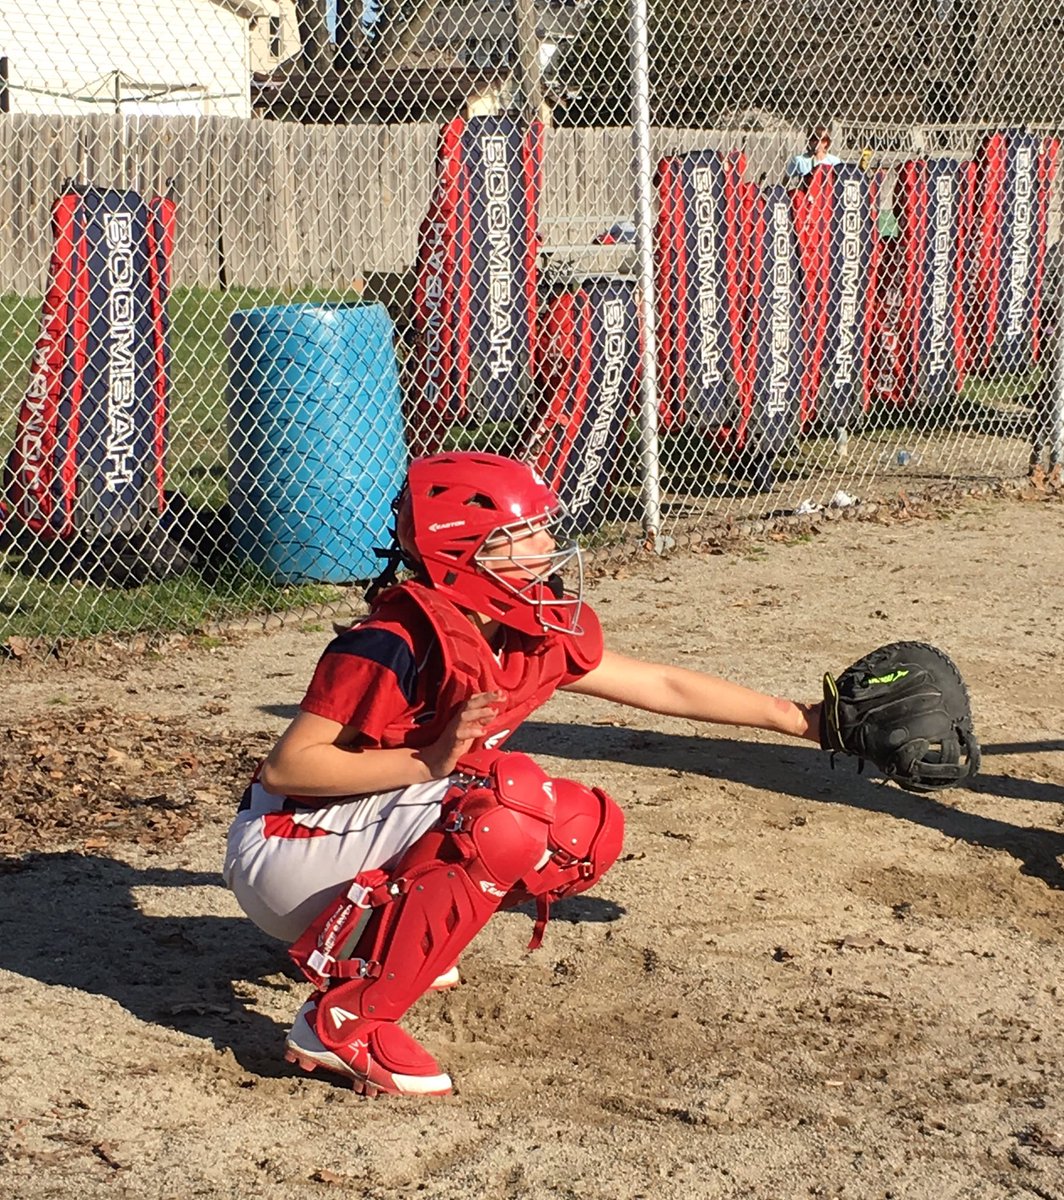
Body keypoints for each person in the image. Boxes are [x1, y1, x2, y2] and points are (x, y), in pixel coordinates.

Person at [222, 451, 823, 1097]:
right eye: (525, 534)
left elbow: (662, 683)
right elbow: (291, 766)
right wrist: (426, 761)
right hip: (287, 849)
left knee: (580, 830)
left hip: (363, 834)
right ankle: (343, 1022)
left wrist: (799, 719)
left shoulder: (522, 623)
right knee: (513, 806)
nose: (550, 545)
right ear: (465, 553)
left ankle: (390, 948)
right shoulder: (392, 640)